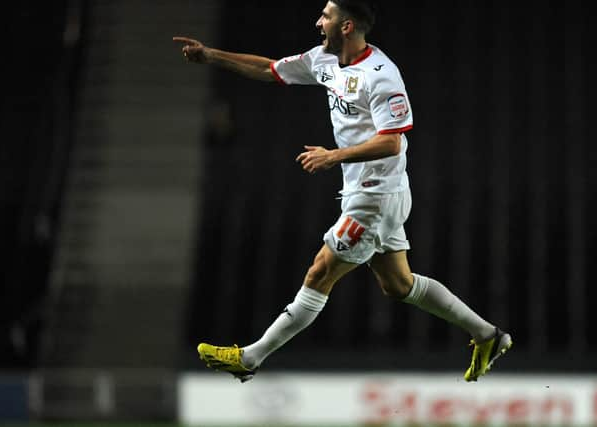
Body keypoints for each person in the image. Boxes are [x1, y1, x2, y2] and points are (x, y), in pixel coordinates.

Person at [173, 0, 512, 383]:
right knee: (399, 285)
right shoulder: (324, 60)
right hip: (370, 191)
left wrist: (335, 155)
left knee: (320, 271)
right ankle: (488, 335)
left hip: (376, 194)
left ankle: (250, 358)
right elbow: (270, 70)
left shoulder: (381, 76)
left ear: (347, 26)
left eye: (326, 16)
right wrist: (211, 55)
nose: (319, 22)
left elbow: (391, 142)